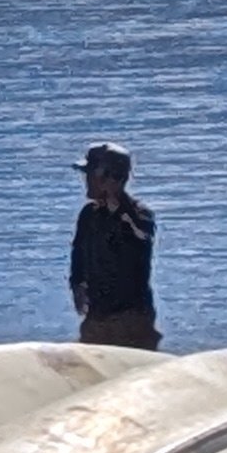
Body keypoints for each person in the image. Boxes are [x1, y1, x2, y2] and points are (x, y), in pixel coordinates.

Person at [68, 141, 158, 349]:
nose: (86, 181)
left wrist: (118, 211)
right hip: (97, 315)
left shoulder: (139, 215)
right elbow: (78, 255)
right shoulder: (89, 215)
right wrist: (77, 284)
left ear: (112, 179)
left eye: (91, 175)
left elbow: (141, 242)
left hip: (132, 318)